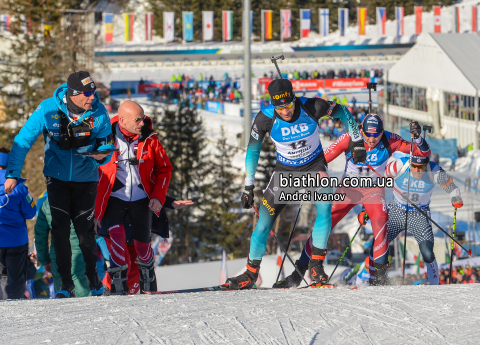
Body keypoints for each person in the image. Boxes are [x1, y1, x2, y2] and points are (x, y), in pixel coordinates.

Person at [224, 78, 367, 289]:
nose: (285, 111)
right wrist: (248, 185)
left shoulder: (312, 106)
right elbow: (253, 151)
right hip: (285, 172)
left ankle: (316, 267)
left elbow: (343, 112)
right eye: (279, 107)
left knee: (324, 209)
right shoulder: (264, 118)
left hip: (314, 168)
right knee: (263, 223)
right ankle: (250, 273)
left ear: (294, 98)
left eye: (289, 105)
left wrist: (357, 141)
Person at [276, 115, 429, 287]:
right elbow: (322, 159)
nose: (372, 140)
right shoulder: (349, 138)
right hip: (348, 189)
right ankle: (298, 273)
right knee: (324, 223)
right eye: (367, 135)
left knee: (380, 222)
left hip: (373, 191)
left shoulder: (389, 139)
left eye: (376, 136)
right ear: (361, 131)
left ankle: (379, 278)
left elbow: (422, 153)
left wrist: (418, 138)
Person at [4, 71, 115, 298]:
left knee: (85, 233)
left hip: (86, 179)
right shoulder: (48, 109)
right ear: (73, 94)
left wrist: (100, 156)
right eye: (87, 94)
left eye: (93, 93)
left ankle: (93, 276)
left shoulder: (99, 112)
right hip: (57, 179)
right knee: (60, 230)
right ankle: (65, 285)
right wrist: (13, 173)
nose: (92, 98)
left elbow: (107, 147)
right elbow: (23, 140)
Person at [93, 101, 173, 295]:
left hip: (141, 200)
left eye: (143, 117)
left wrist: (158, 197)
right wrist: (94, 212)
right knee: (118, 241)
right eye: (137, 120)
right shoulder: (104, 136)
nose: (142, 123)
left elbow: (165, 169)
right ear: (122, 120)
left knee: (143, 246)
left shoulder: (150, 139)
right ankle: (117, 288)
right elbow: (90, 171)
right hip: (113, 199)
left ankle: (148, 282)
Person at [384, 154, 462, 285]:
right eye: (414, 166)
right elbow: (378, 179)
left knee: (428, 253)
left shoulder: (434, 170)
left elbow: (451, 186)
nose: (418, 170)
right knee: (379, 245)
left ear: (427, 164)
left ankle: (435, 287)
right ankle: (375, 280)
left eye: (421, 167)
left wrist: (456, 197)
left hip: (419, 214)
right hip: (396, 211)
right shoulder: (400, 165)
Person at [99, 196, 193, 295]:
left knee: (137, 267)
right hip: (114, 225)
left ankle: (127, 296)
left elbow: (149, 190)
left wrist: (171, 202)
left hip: (135, 227)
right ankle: (109, 289)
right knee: (123, 263)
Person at [35, 197, 91, 297]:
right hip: (81, 252)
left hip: (57, 255)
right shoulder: (83, 198)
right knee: (80, 282)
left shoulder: (47, 203)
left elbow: (40, 235)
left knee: (62, 290)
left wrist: (44, 260)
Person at [0, 148, 37, 300]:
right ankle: (14, 303)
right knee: (15, 276)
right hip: (16, 240)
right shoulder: (19, 187)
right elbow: (31, 212)